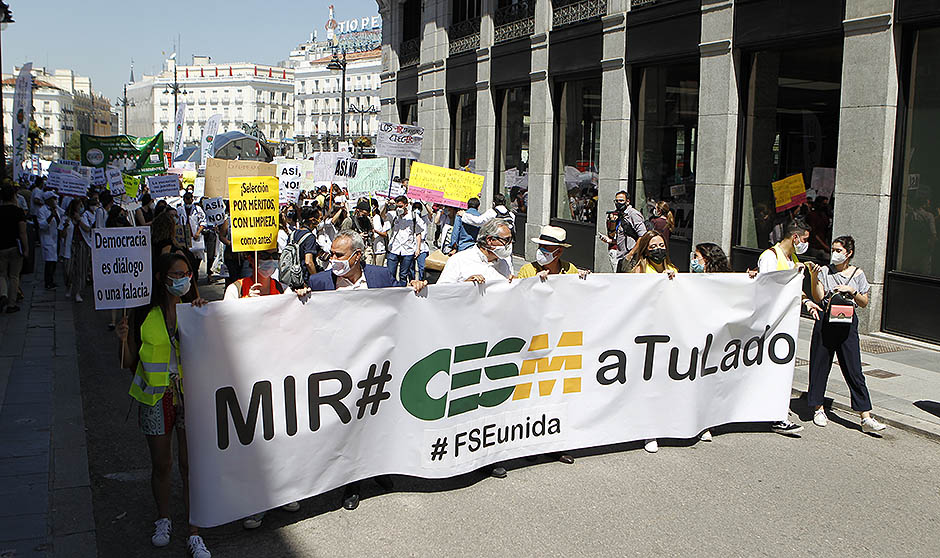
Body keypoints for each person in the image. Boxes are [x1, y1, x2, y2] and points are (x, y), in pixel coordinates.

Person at [300, 231, 425, 509]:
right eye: (330, 254)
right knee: (349, 424)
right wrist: (301, 297)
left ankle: (378, 470)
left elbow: (401, 298)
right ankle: (351, 483)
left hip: (377, 363)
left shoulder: (380, 276)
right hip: (340, 368)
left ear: (357, 256)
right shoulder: (320, 281)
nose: (332, 260)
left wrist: (415, 286)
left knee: (376, 421)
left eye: (339, 255)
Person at [115, 253, 212, 558]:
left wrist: (203, 317)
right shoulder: (143, 313)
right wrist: (124, 339)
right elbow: (129, 363)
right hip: (155, 398)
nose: (183, 279)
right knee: (163, 464)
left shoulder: (195, 310)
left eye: (187, 273)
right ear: (160, 278)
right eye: (176, 274)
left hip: (189, 396)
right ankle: (164, 519)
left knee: (189, 465)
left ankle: (194, 531)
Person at [805, 236, 886, 433]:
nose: (835, 253)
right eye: (833, 249)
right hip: (826, 321)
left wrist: (852, 291)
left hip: (847, 323)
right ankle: (818, 408)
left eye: (839, 250)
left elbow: (864, 302)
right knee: (819, 365)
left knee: (854, 369)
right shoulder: (825, 270)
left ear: (848, 253)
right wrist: (814, 276)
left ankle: (865, 415)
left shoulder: (857, 273)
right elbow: (819, 297)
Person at [757, 219, 813, 436]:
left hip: (785, 325)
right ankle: (776, 415)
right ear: (795, 237)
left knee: (781, 369)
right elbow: (766, 288)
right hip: (771, 325)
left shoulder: (793, 257)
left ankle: (778, 414)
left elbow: (795, 289)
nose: (806, 244)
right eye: (805, 239)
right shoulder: (770, 257)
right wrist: (791, 274)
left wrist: (807, 302)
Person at [438, 218, 513, 286]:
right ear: (490, 240)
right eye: (507, 240)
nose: (510, 244)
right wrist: (465, 286)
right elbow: (442, 292)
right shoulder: (459, 260)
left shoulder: (504, 263)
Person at [598, 191, 647, 272]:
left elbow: (643, 235)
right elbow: (618, 236)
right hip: (621, 256)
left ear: (627, 201)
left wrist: (631, 254)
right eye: (616, 201)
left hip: (631, 257)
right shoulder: (620, 214)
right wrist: (611, 240)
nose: (618, 203)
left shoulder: (633, 214)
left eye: (621, 200)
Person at [0, 184, 28, 313]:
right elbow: (22, 232)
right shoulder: (18, 212)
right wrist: (26, 248)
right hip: (15, 247)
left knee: (1, 274)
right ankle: (11, 304)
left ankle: (3, 294)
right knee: (14, 276)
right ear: (13, 196)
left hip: (1, 247)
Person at [385, 195, 421, 284]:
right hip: (394, 249)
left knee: (403, 275)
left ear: (406, 205)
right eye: (397, 206)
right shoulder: (393, 215)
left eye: (400, 206)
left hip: (407, 250)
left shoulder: (413, 216)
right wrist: (385, 204)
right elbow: (382, 216)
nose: (398, 208)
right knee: (390, 274)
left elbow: (418, 233)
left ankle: (402, 293)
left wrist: (418, 249)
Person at [178, 191, 207, 277]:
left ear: (192, 199)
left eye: (189, 199)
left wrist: (198, 233)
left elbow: (203, 222)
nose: (188, 201)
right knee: (187, 260)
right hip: (185, 238)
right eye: (186, 199)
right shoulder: (180, 210)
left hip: (196, 237)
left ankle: (195, 274)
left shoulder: (197, 209)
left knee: (197, 259)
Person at [37, 191, 61, 290]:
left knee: (54, 261)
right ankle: (48, 282)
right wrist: (51, 216)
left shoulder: (56, 209)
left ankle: (51, 281)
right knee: (49, 262)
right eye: (53, 199)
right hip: (47, 239)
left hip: (55, 238)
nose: (55, 201)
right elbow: (42, 225)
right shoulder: (42, 210)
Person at [412, 201, 431, 280]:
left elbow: (431, 213)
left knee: (422, 268)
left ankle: (421, 281)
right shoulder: (409, 219)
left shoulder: (424, 219)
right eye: (415, 208)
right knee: (410, 269)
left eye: (419, 208)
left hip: (422, 246)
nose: (417, 210)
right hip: (411, 246)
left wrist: (425, 203)